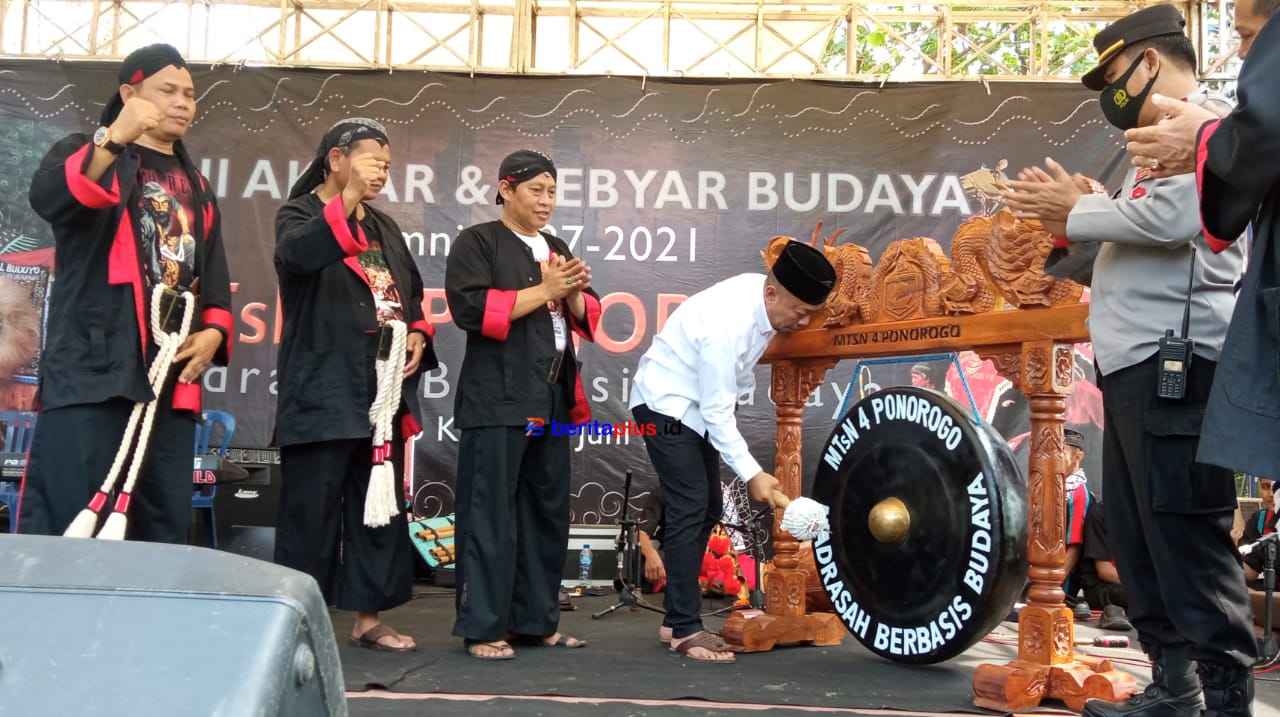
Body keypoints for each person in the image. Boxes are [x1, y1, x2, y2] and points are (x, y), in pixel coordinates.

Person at [1000, 6, 1256, 716]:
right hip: (1136, 365)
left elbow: (1180, 220)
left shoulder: (1206, 125)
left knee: (1183, 531)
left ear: (1149, 60)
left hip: (1180, 363)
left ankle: (1226, 698)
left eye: (1114, 74)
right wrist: (1073, 219)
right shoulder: (1154, 146)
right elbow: (1133, 248)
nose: (1110, 93)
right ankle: (1176, 686)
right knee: (1144, 540)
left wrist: (1080, 212)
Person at [18, 44, 232, 541]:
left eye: (190, 94)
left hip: (168, 373)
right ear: (129, 93)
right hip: (96, 366)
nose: (183, 102)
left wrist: (215, 331)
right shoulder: (85, 150)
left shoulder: (196, 184)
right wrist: (114, 137)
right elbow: (54, 198)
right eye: (168, 91)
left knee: (160, 521)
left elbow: (213, 270)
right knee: (70, 509)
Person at [629, 240, 834, 664]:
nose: (802, 320)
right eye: (799, 310)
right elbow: (717, 411)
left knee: (705, 507)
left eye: (810, 314)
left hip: (693, 411)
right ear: (773, 293)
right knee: (689, 505)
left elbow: (732, 389)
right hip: (664, 405)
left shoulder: (759, 298)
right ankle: (685, 629)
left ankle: (674, 619)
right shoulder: (727, 324)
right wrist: (753, 474)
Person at [274, 118, 436, 653]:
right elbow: (300, 254)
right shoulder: (297, 214)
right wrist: (344, 197)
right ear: (336, 158)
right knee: (311, 514)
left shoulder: (385, 227)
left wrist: (415, 332)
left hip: (378, 389)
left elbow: (408, 292)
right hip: (322, 387)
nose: (382, 170)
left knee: (378, 507)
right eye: (372, 159)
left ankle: (370, 617)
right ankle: (299, 623)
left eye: (388, 163)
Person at [445, 149, 601, 661]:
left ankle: (537, 621)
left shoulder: (556, 245)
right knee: (489, 514)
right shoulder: (478, 242)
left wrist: (572, 291)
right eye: (536, 190)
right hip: (499, 398)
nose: (546, 200)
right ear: (506, 189)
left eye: (553, 191)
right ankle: (484, 625)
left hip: (552, 398)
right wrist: (546, 288)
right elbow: (472, 309)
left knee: (546, 512)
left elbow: (587, 315)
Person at [1123, 0, 1280, 490]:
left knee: (1182, 546)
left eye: (1249, 36)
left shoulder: (1205, 116)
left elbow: (1174, 220)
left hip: (1175, 352)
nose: (1241, 53)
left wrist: (1208, 140)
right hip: (1134, 354)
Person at [1075, 502, 1134, 632]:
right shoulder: (1100, 514)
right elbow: (1105, 571)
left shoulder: (1142, 515)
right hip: (1104, 588)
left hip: (1136, 584)